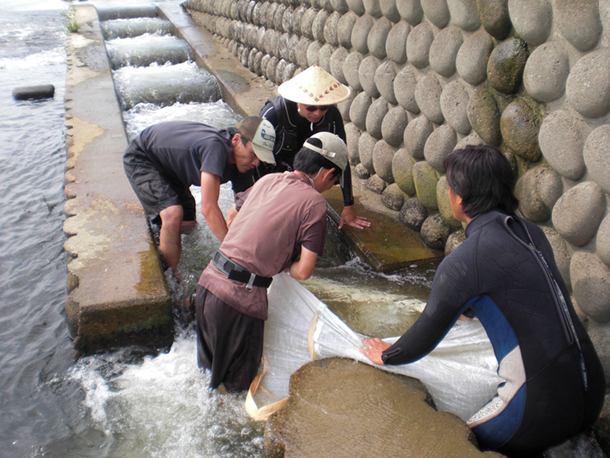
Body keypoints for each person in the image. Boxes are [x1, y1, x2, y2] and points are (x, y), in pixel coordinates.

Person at [360, 145, 605, 456]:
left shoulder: (464, 261)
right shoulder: (531, 233)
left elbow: (422, 338)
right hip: (591, 391)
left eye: (449, 185)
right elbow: (516, 292)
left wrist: (387, 354)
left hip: (537, 412)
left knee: (450, 442)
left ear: (459, 197)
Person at [194, 132, 349, 392]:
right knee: (238, 390)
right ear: (327, 172)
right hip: (239, 302)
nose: (331, 186)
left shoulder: (268, 179)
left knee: (207, 380)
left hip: (208, 283)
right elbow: (304, 271)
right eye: (334, 181)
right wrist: (284, 263)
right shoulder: (314, 203)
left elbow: (232, 216)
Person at [123, 117, 276, 272]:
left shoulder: (243, 165)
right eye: (254, 154)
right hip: (144, 157)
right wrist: (234, 252)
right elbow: (208, 208)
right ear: (236, 139)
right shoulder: (215, 147)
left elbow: (243, 210)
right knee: (173, 214)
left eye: (260, 157)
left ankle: (162, 237)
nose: (257, 162)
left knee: (189, 225)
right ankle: (172, 280)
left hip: (174, 171)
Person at [229, 65, 371, 231]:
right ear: (297, 101)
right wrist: (254, 200)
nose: (317, 113)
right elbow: (252, 158)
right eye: (310, 107)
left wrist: (349, 206)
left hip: (300, 180)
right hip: (267, 176)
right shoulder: (274, 113)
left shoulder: (332, 117)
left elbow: (341, 160)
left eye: (323, 107)